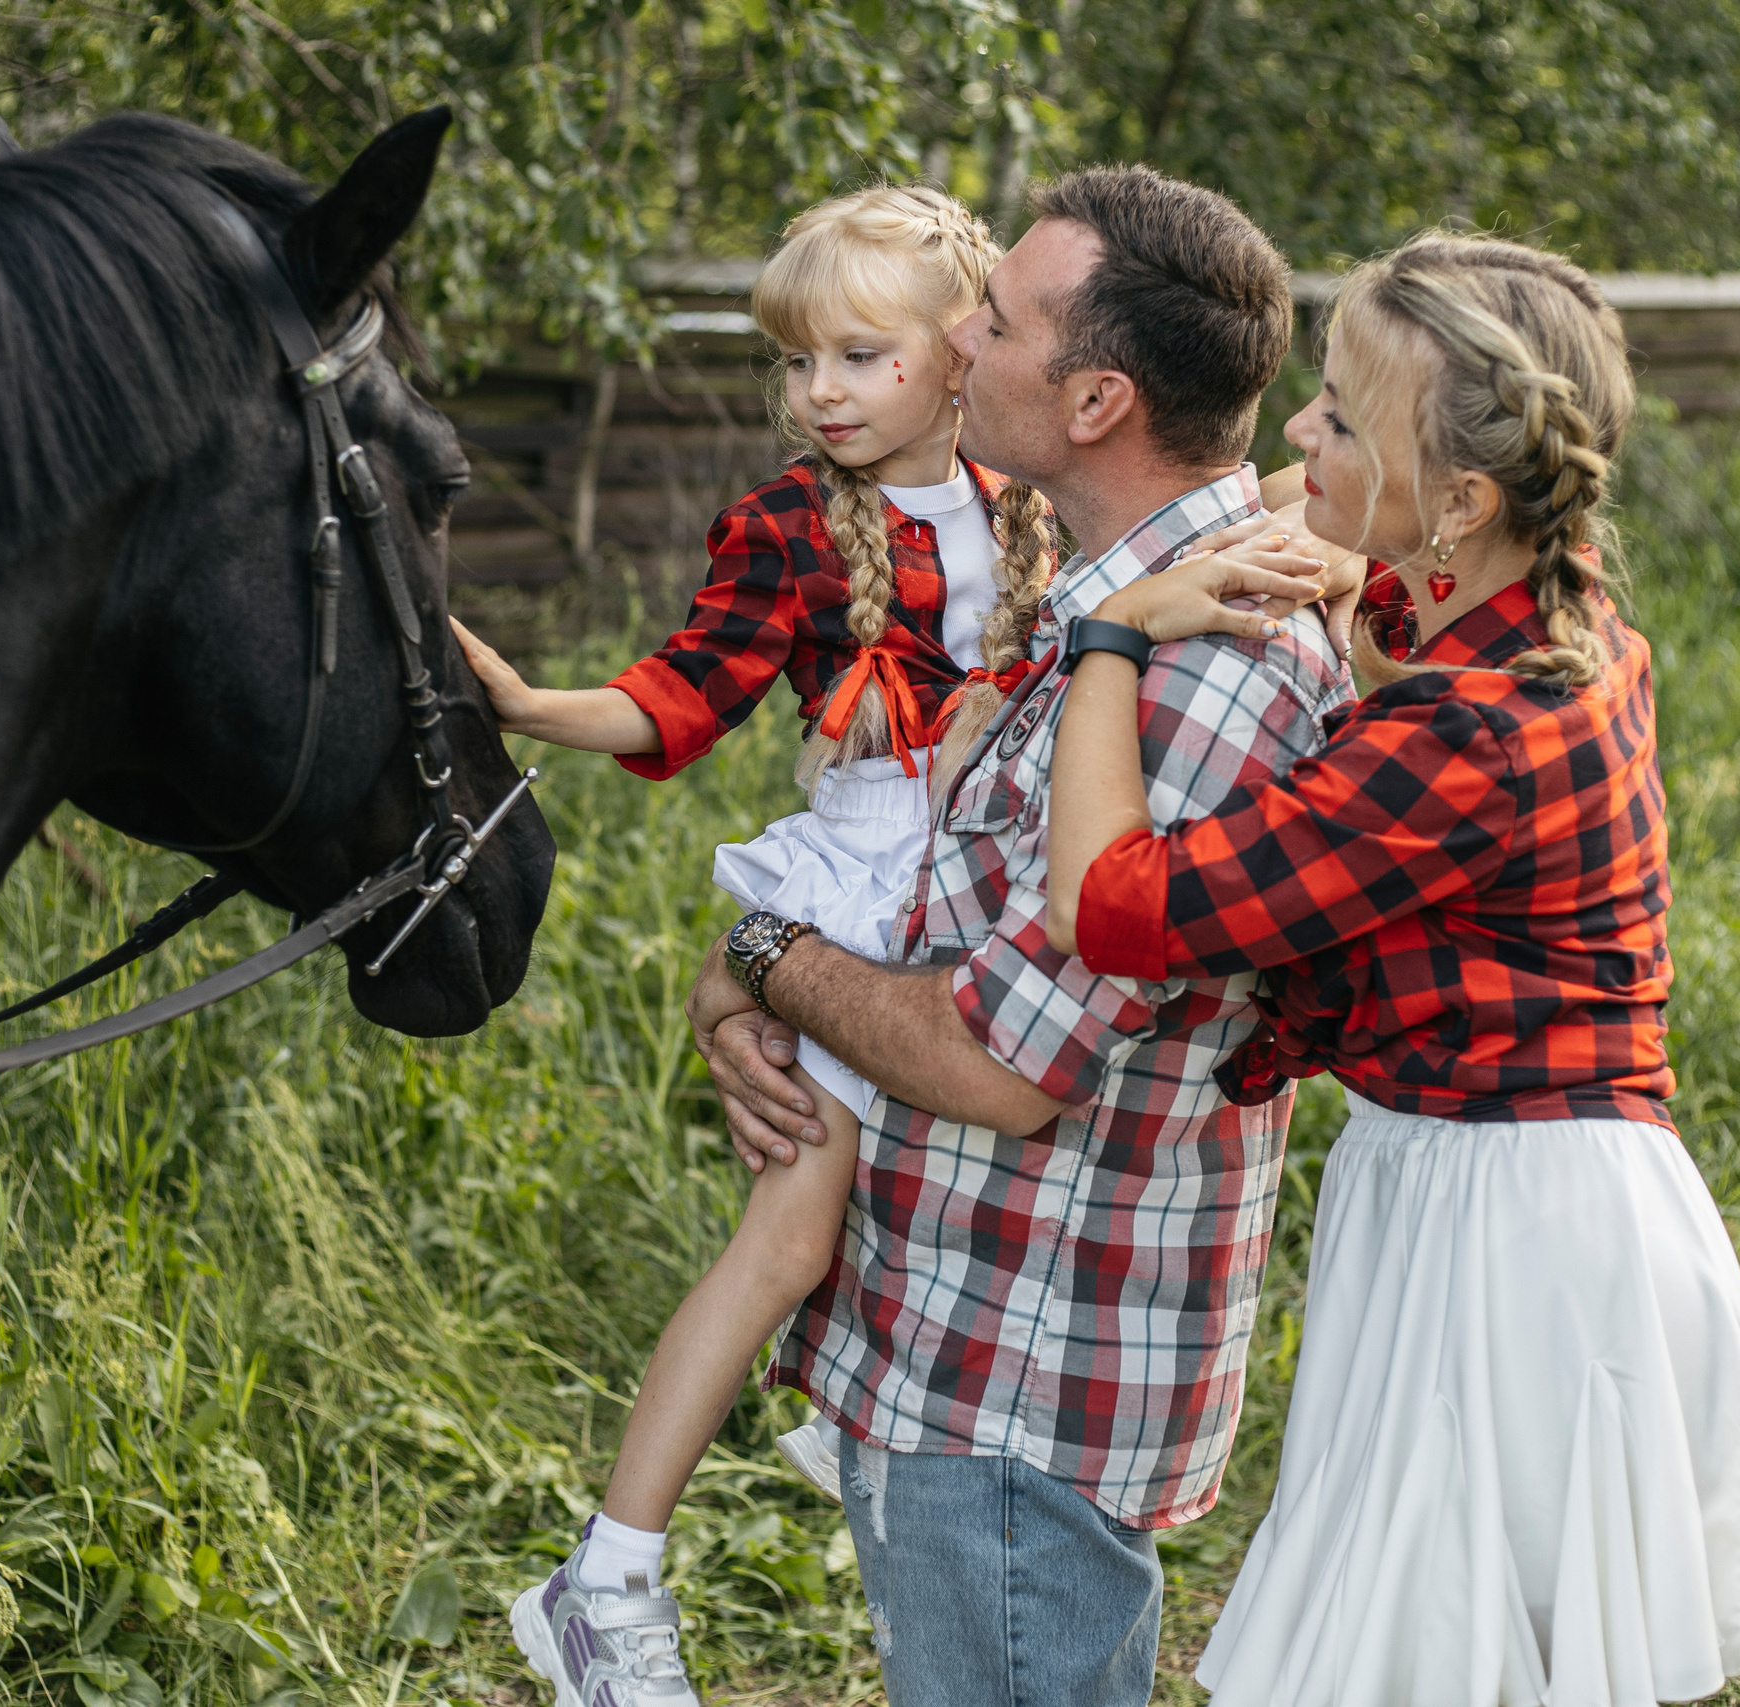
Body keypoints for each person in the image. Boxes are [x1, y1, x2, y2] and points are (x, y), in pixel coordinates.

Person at [1040, 232, 1740, 1705]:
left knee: (1447, 1652)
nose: (1298, 430)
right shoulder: (1567, 620)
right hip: (1536, 1189)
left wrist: (1109, 635)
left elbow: (1114, 905)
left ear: (1464, 499)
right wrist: (1332, 525)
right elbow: (1377, 578)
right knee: (1474, 1652)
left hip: (1510, 1233)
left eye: (1342, 415)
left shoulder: (1461, 742)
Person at [686, 165, 1352, 1707]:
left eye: (992, 320)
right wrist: (753, 995)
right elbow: (945, 919)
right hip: (962, 1345)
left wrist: (765, 956)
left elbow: (1003, 1064)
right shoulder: (1109, 609)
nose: (958, 341)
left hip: (1019, 1389)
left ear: (1099, 398)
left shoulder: (1200, 677)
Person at [458, 184, 1062, 1707]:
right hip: (862, 890)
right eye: (798, 365)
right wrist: (535, 707)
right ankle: (606, 1576)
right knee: (792, 1234)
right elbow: (679, 695)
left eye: (859, 358)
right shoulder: (793, 525)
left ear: (958, 352)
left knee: (934, 1200)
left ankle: (858, 1419)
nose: (820, 394)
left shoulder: (1033, 495)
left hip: (991, 880)